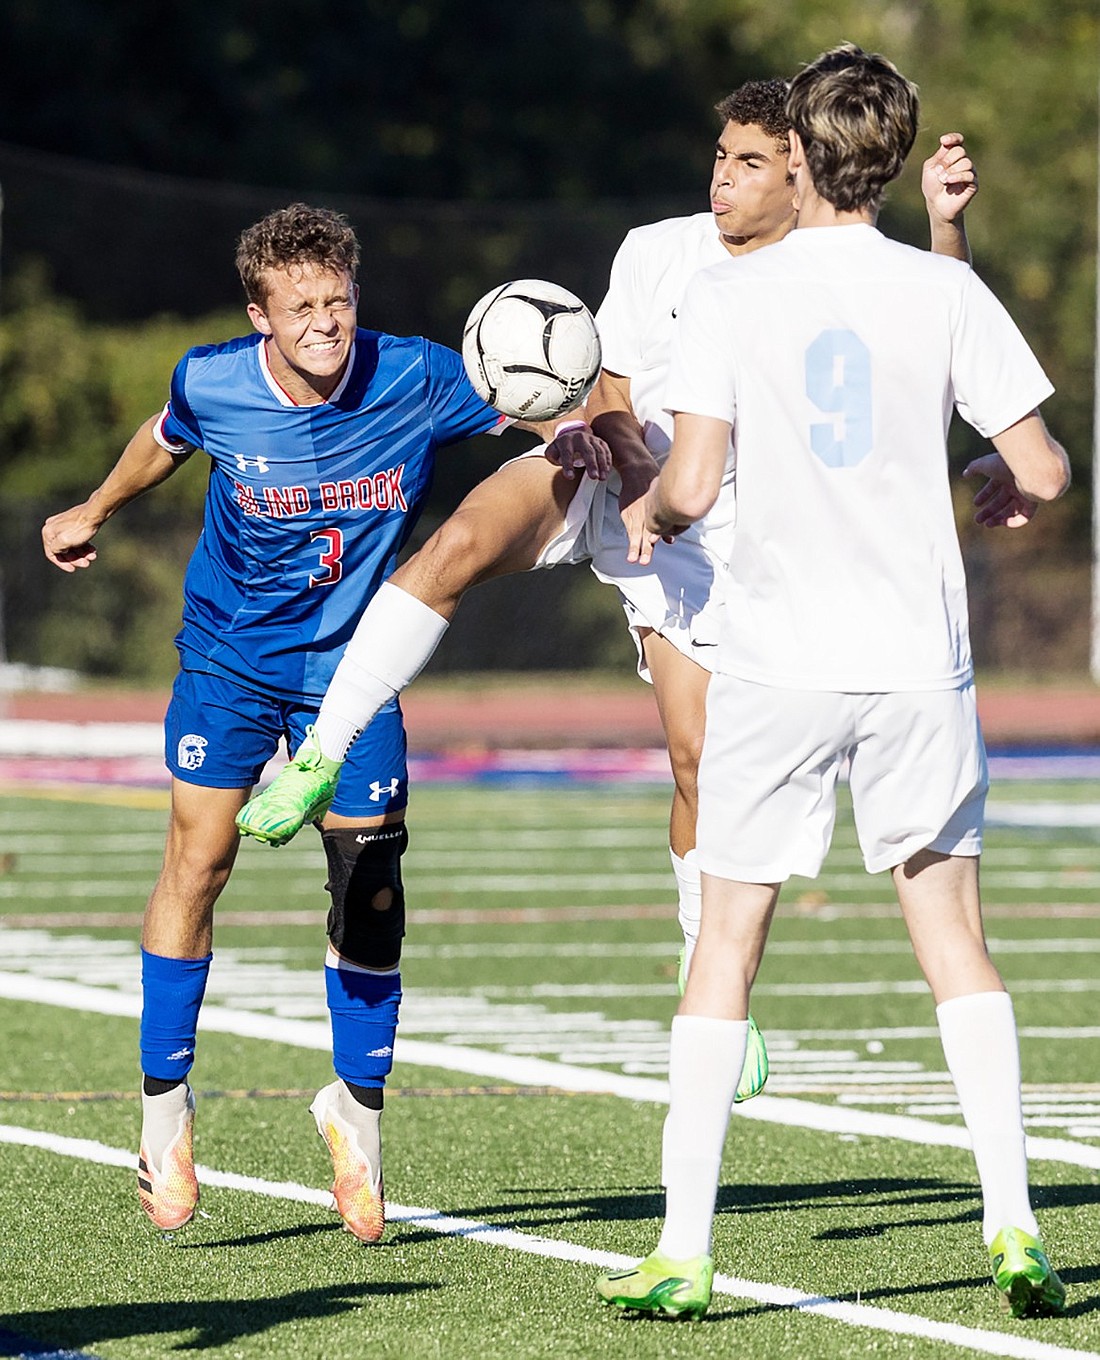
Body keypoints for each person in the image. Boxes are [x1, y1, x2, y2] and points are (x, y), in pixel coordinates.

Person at [234, 83, 981, 1109]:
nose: (721, 178)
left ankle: (706, 970)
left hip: (715, 538)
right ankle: (323, 749)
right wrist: (609, 453)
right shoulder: (655, 247)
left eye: (749, 162)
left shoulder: (831, 275)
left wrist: (945, 227)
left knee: (697, 764)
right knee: (456, 542)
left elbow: (935, 332)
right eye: (718, 156)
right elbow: (613, 383)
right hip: (614, 475)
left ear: (800, 172)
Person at [594, 43, 1070, 1322]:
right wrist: (987, 481)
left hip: (779, 663)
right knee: (953, 943)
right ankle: (1014, 1223)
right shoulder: (940, 288)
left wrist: (649, 503)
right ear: (897, 159)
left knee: (726, 952)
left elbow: (690, 487)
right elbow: (1039, 468)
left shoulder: (728, 296)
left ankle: (683, 1251)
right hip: (917, 663)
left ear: (796, 156)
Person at [40, 202, 604, 1241]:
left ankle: (357, 1113)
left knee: (372, 885)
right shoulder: (211, 380)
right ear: (261, 314)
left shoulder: (420, 376)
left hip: (353, 670)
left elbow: (535, 402)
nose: (324, 323)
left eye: (337, 301)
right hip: (229, 661)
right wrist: (95, 507)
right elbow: (163, 440)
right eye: (300, 306)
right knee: (198, 861)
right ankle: (165, 1114)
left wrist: (580, 431)